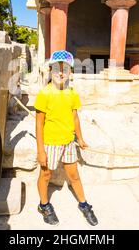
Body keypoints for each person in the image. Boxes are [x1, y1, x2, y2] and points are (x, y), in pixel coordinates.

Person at [33, 50, 98, 226]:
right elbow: (39, 124)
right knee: (46, 175)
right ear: (50, 71)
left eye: (65, 69)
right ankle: (44, 205)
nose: (60, 73)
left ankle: (84, 204)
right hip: (50, 144)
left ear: (70, 72)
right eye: (56, 69)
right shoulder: (44, 94)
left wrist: (80, 138)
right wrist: (41, 151)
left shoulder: (72, 93)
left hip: (68, 143)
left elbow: (74, 117)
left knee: (74, 176)